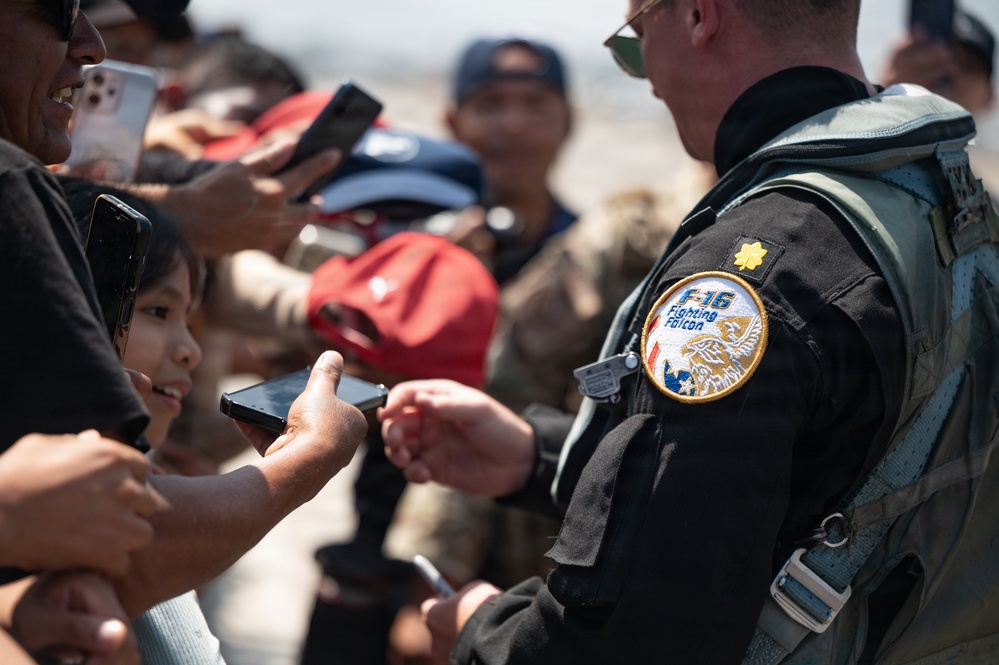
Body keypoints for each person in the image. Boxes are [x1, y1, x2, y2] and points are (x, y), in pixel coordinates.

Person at [380, 0, 999, 663]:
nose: (646, 80)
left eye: (637, 40)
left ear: (700, 15)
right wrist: (538, 454)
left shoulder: (751, 271)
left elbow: (634, 636)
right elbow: (814, 464)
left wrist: (479, 630)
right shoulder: (945, 201)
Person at [0, 1, 366, 659]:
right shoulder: (15, 185)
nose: (91, 48)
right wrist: (307, 458)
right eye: (59, 9)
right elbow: (125, 540)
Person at [298, 231, 499, 665]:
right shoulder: (390, 428)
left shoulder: (453, 440)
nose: (342, 374)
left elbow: (418, 640)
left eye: (363, 367)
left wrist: (424, 604)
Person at [443, 36, 577, 284]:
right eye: (490, 104)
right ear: (452, 124)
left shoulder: (592, 256)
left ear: (569, 123)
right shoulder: (413, 244)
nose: (515, 125)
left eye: (536, 105)